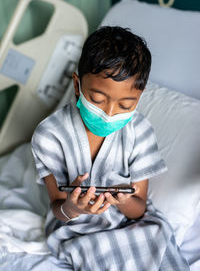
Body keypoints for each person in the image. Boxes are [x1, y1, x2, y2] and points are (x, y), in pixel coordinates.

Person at [31, 26, 189, 270]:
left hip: (130, 222)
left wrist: (122, 200)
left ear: (139, 97)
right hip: (77, 227)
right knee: (99, 252)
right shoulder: (50, 135)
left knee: (155, 240)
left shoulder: (140, 132)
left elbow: (138, 210)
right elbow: (58, 210)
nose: (109, 114)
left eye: (126, 104)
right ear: (77, 85)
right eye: (97, 100)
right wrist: (72, 207)